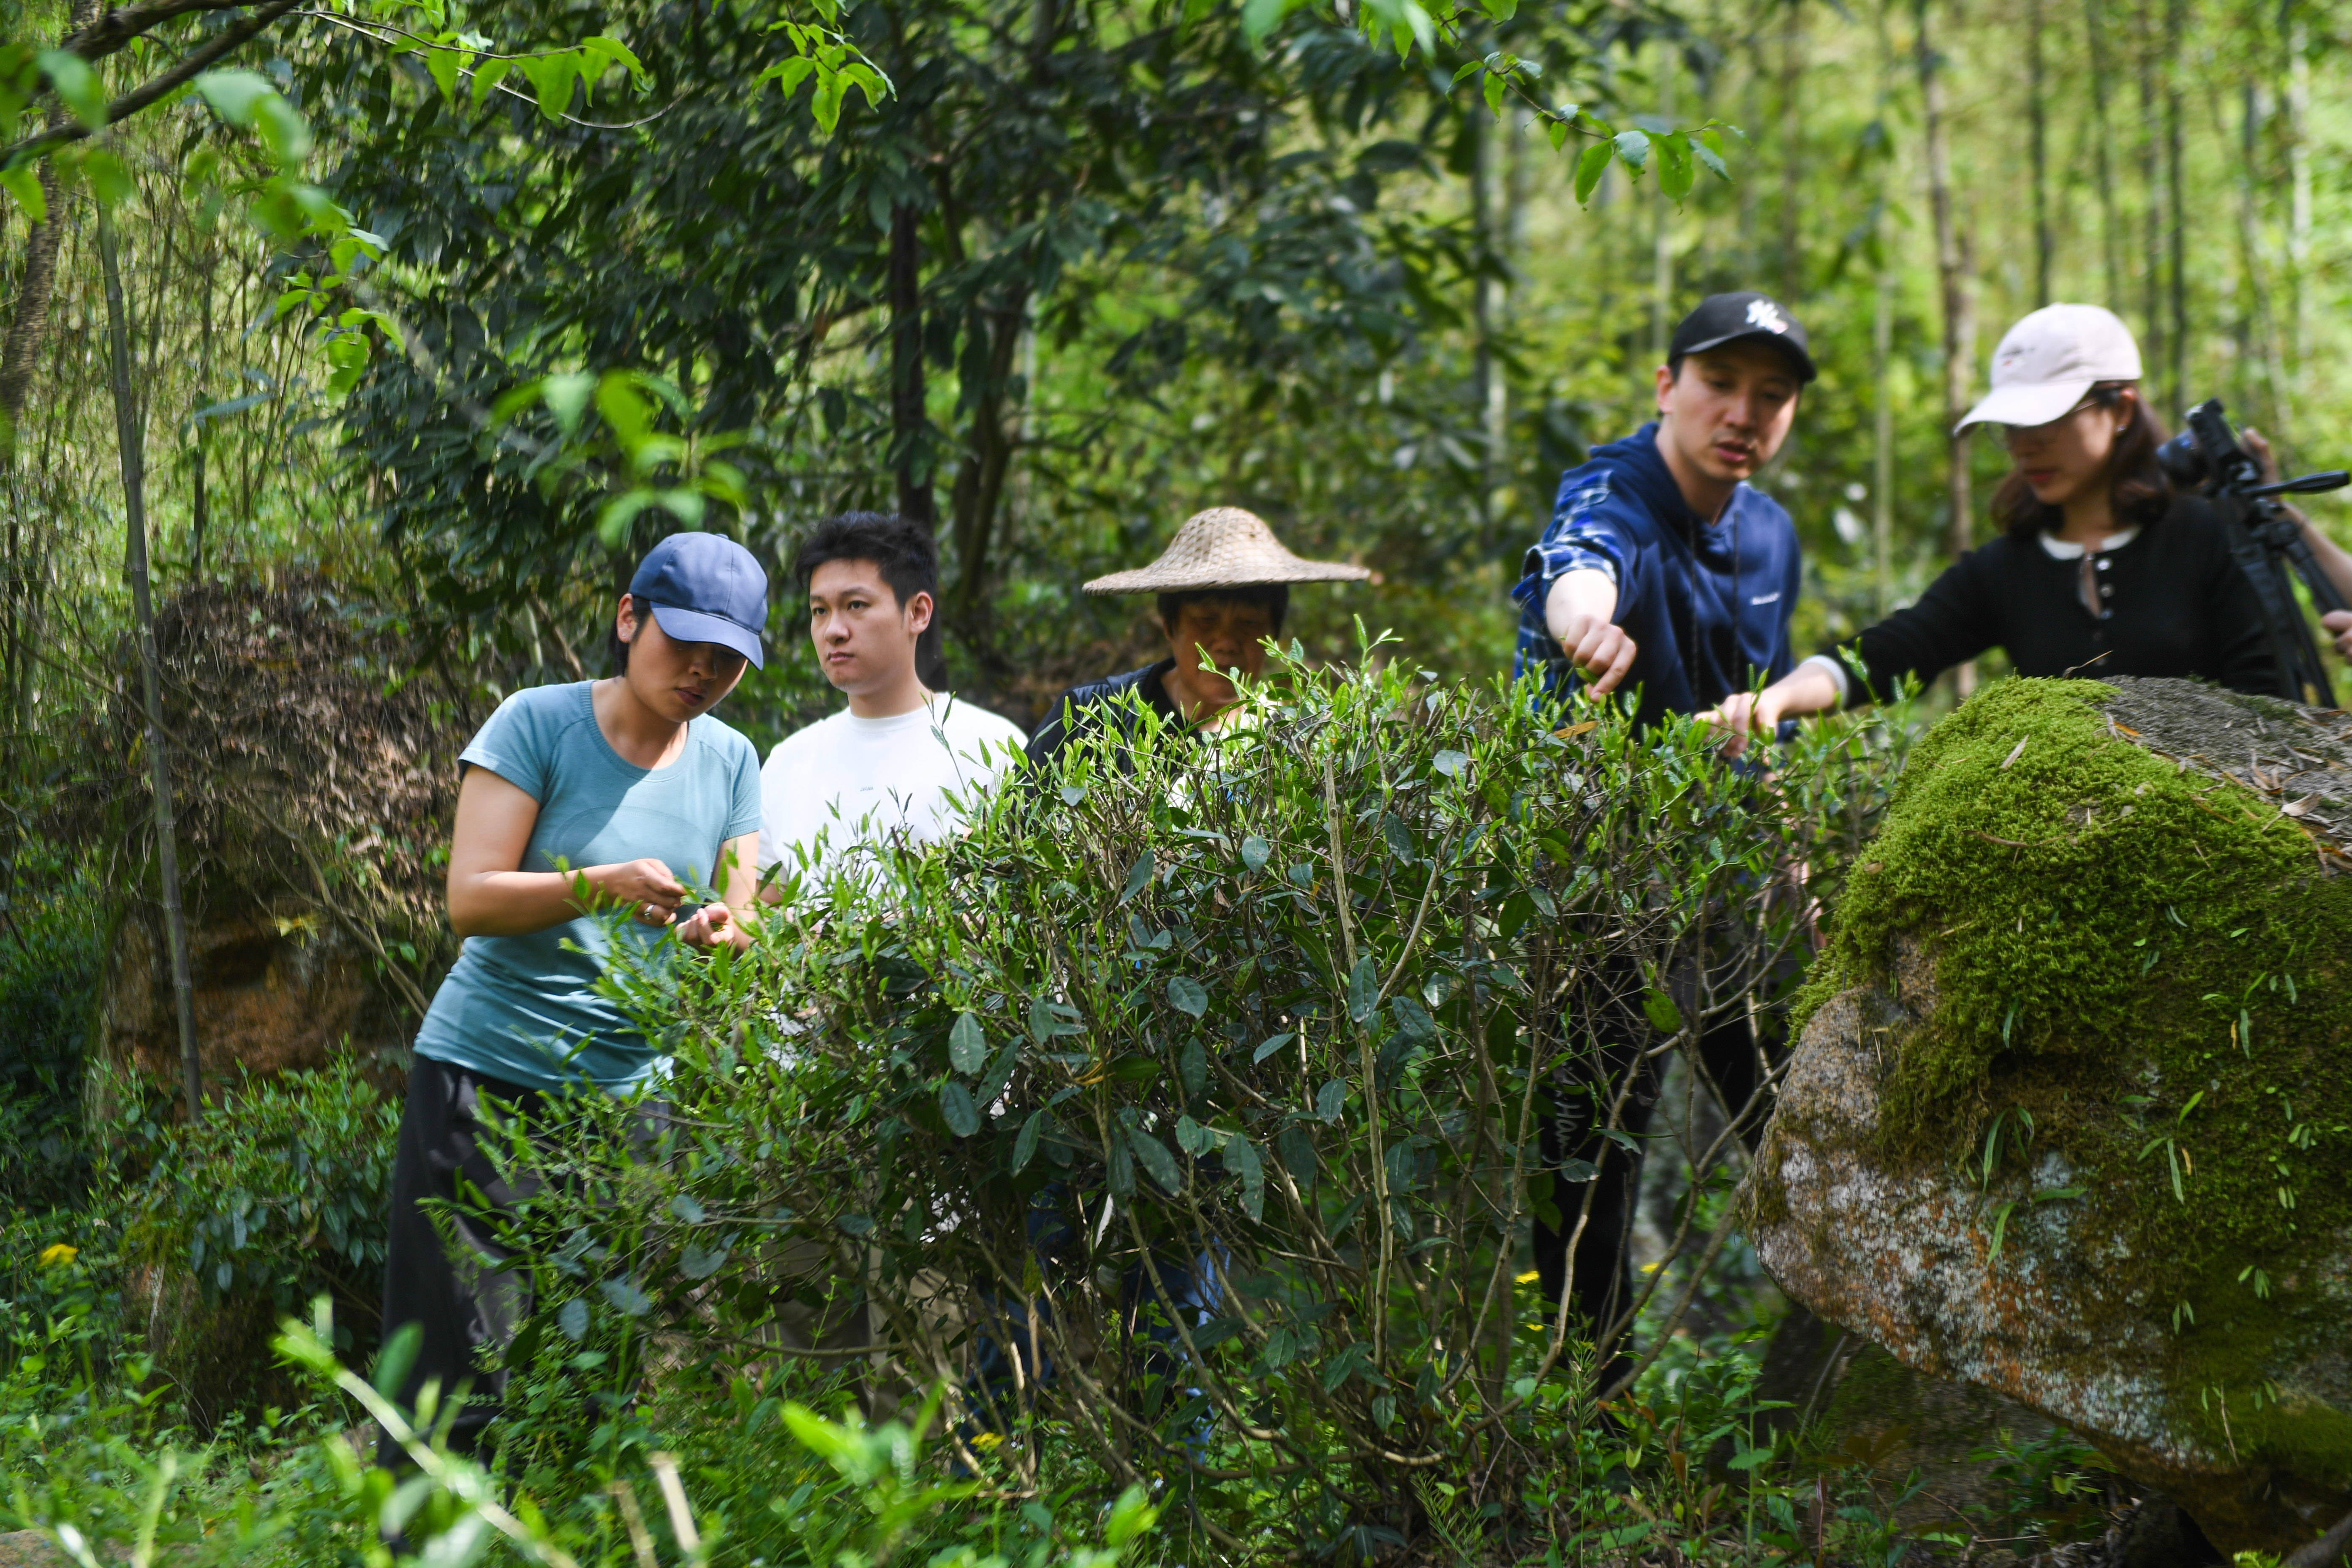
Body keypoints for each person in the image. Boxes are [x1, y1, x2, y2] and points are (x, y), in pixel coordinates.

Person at [379, 532, 768, 1464]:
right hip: (484, 1083)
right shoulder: (536, 723)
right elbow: (469, 899)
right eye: (684, 645)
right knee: (452, 1373)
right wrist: (601, 884)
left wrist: (719, 933)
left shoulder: (732, 760)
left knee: (593, 1367)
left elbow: (744, 921)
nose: (704, 671)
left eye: (728, 658)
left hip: (631, 1108)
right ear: (628, 618)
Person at [1507, 292, 1819, 1383]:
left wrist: (1788, 846)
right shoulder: (1616, 494)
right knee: (1588, 1162)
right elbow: (1578, 558)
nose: (1743, 413)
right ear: (1667, 388)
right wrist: (1581, 620)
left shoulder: (1770, 531)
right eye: (1720, 385)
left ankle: (1841, 1372)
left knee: (1794, 1115)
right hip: (1597, 890)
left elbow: (1750, 707)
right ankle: (1594, 1409)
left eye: (1769, 397)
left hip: (1726, 888)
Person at [1706, 303, 2290, 752]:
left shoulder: (2208, 536)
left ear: (2121, 410)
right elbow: (1894, 651)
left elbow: (2271, 700)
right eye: (2011, 423)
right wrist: (1778, 698)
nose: (2023, 443)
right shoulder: (2008, 567)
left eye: (2050, 419)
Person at [759, 513, 1027, 891]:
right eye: (820, 611)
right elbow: (759, 917)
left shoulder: (993, 749)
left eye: (855, 605)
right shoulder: (788, 764)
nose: (833, 631)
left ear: (918, 613)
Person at [1025, 506, 1370, 770]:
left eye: (1249, 624)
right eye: (1206, 621)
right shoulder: (1090, 717)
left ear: (1273, 635)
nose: (1226, 641)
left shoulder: (1300, 744)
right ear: (1170, 626)